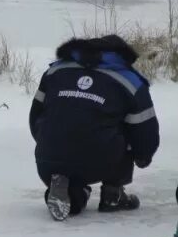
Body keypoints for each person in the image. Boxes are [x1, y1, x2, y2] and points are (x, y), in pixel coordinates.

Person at [28, 35, 159, 221]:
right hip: (101, 162)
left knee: (65, 123)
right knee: (124, 128)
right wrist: (143, 157)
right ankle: (112, 194)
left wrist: (47, 141)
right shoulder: (129, 81)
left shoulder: (55, 71)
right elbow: (145, 131)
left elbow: (35, 115)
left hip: (47, 159)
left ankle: (72, 191)